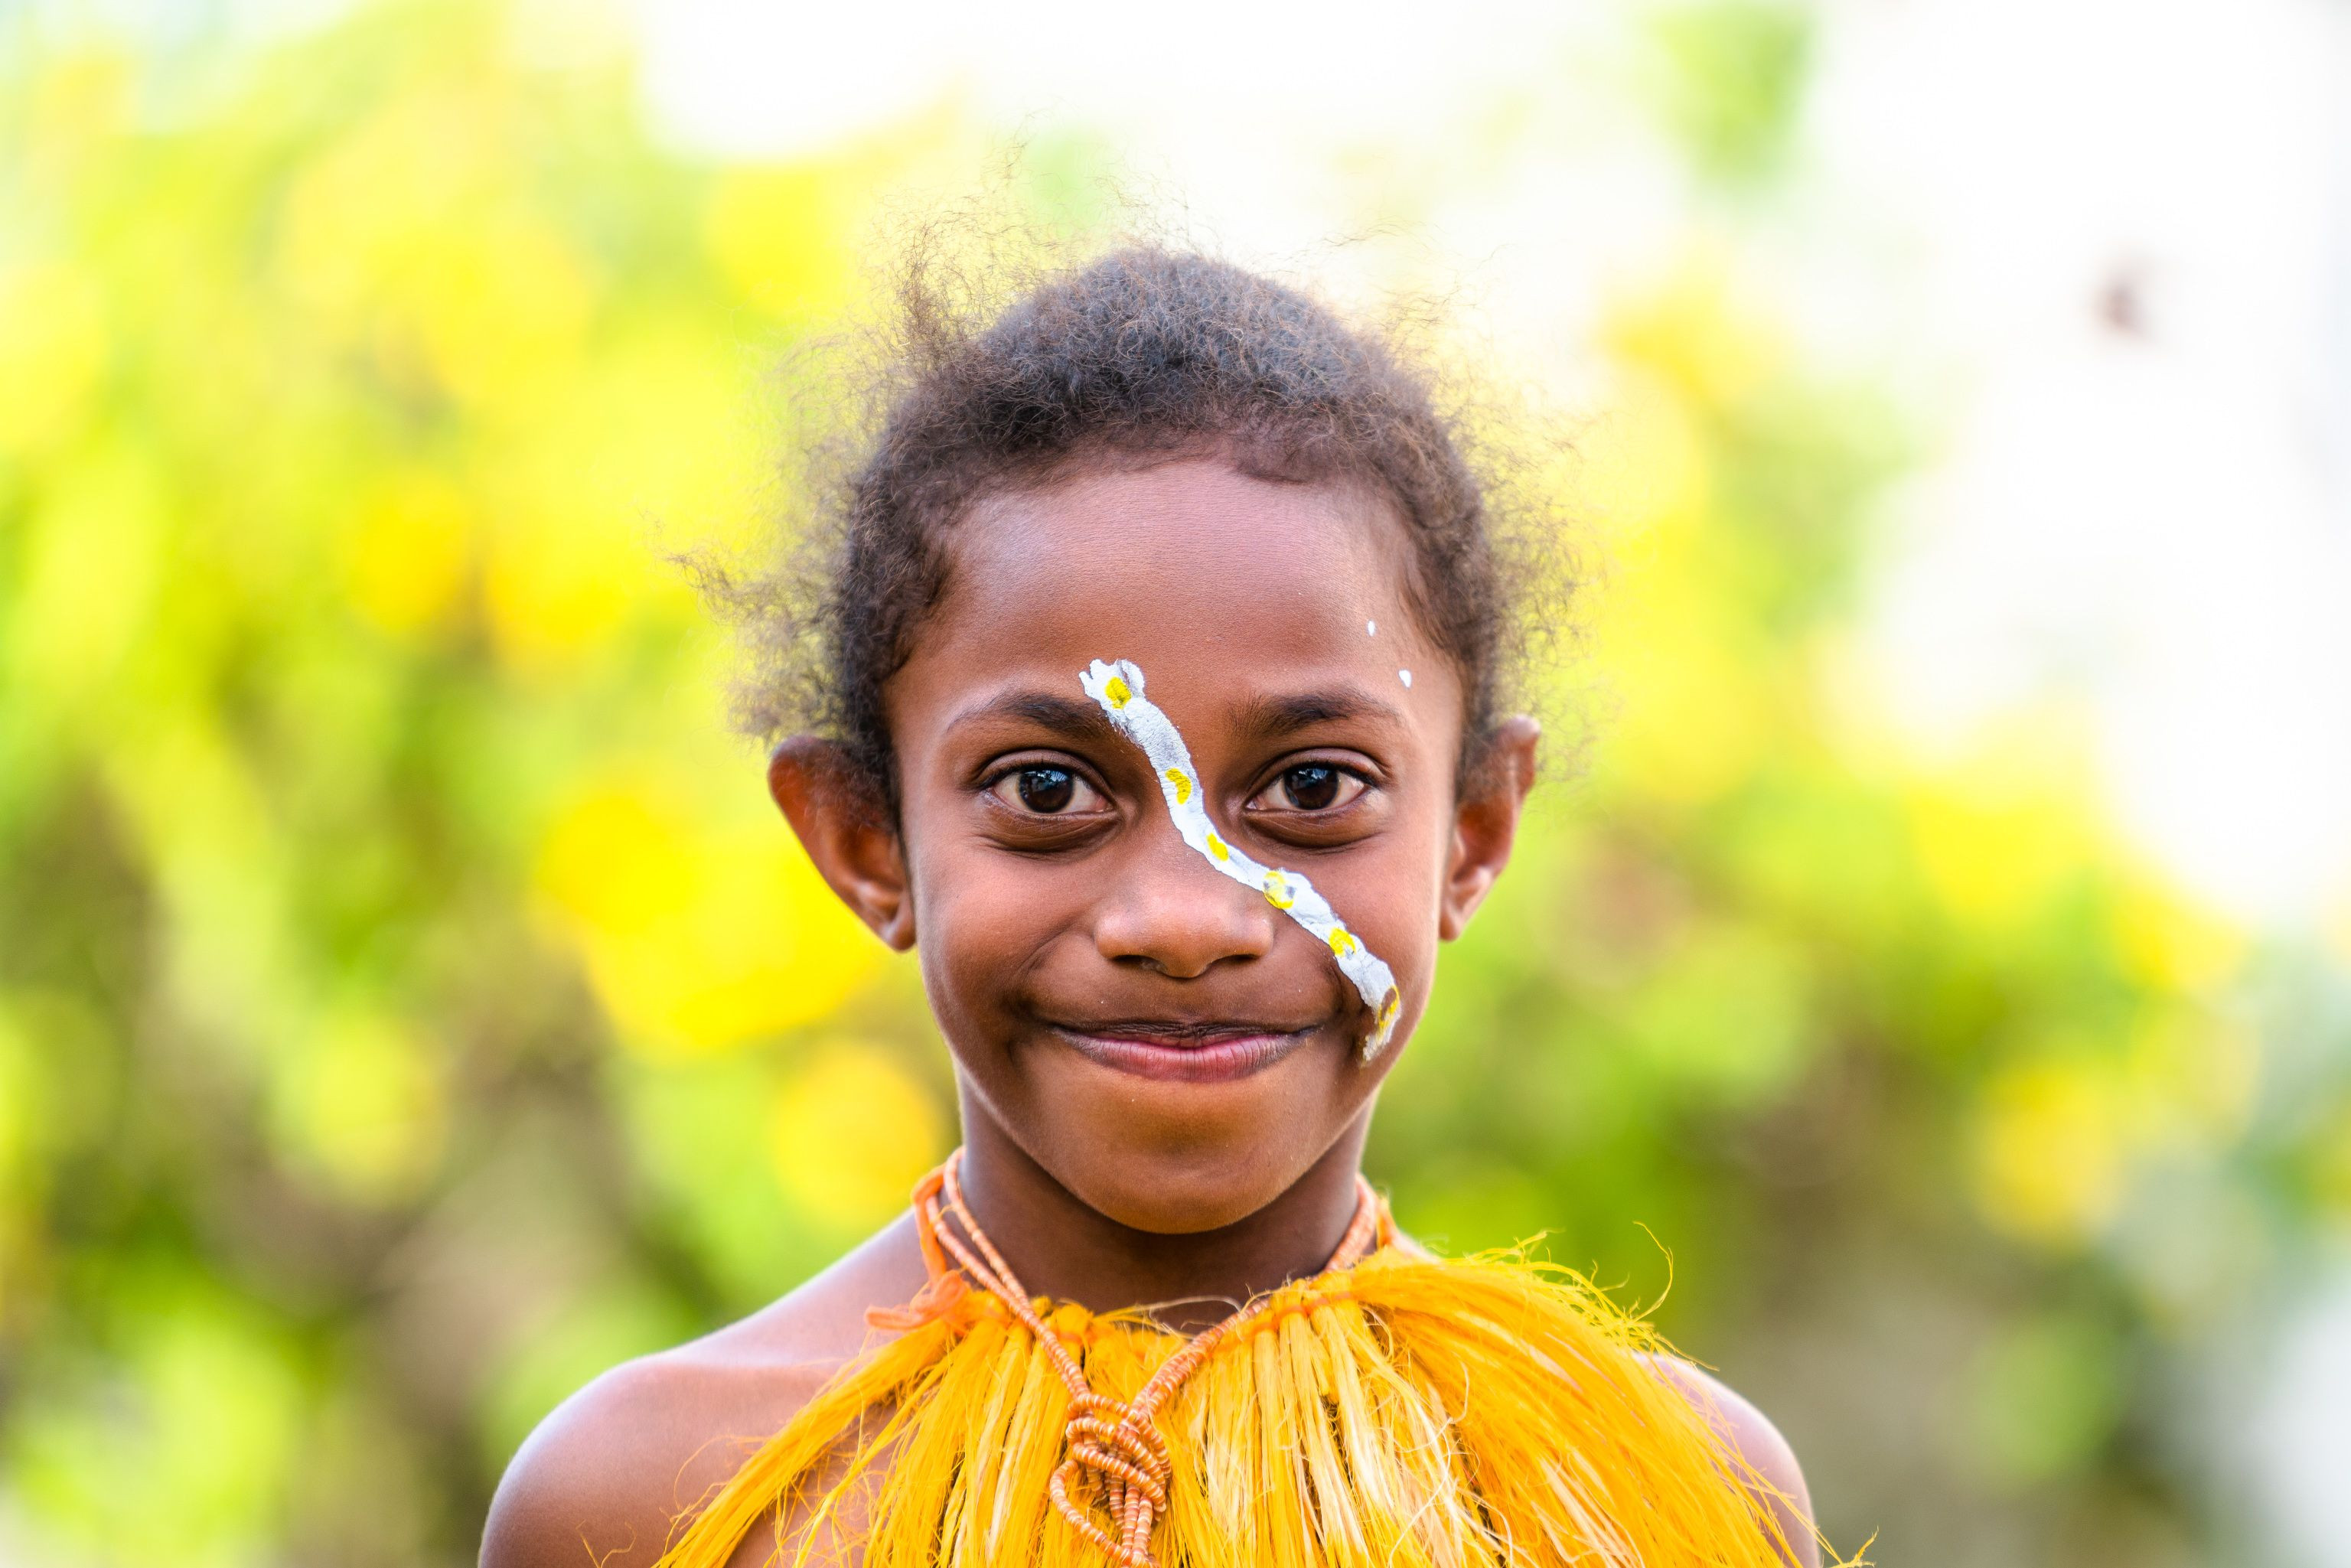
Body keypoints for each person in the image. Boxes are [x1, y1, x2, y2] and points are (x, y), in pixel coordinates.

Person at [481, 243, 1825, 1568]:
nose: (1187, 919)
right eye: (1049, 790)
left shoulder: (1643, 1500)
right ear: (866, 838)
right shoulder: (660, 1505)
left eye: (1312, 785)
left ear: (1473, 831)